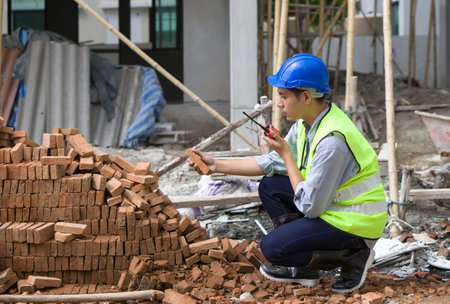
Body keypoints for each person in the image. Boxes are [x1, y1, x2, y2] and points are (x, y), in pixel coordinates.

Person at [188, 54, 387, 294]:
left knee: (273, 249)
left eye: (283, 96)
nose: (279, 104)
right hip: (331, 207)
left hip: (355, 223)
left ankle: (354, 256)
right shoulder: (306, 125)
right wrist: (216, 165)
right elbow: (269, 163)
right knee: (270, 185)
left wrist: (287, 156)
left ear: (305, 96)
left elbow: (310, 206)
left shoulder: (332, 142)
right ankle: (304, 267)